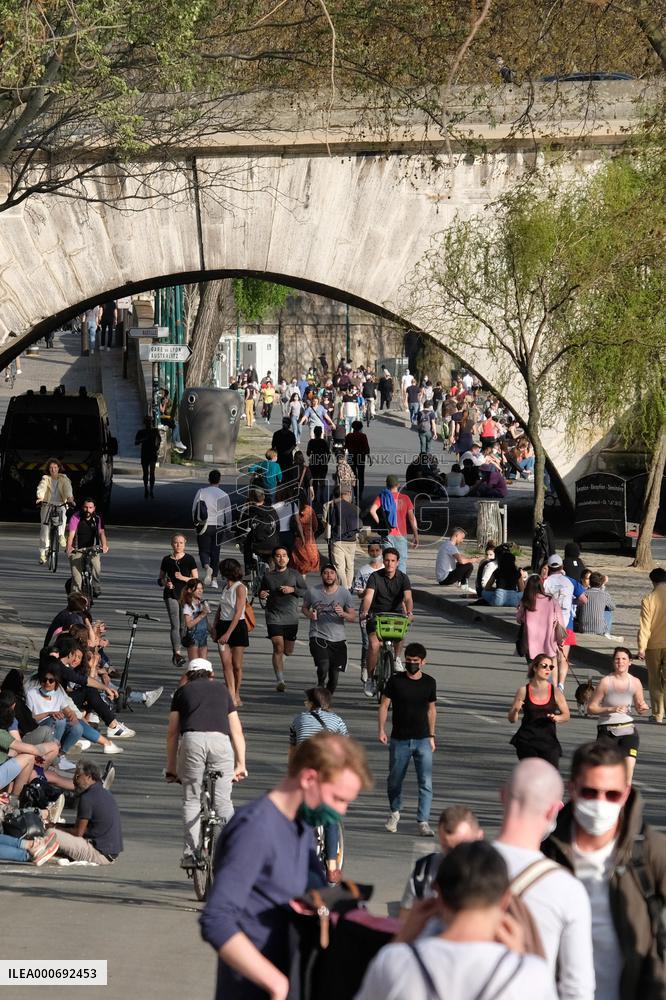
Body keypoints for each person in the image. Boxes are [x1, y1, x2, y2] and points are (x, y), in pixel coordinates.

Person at [200, 732, 371, 1000]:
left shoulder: (300, 826)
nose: (342, 811)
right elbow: (216, 918)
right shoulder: (256, 828)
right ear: (309, 778)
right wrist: (276, 983)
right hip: (253, 991)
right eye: (338, 799)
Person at [543, 740, 666, 1000]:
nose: (600, 802)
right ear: (572, 789)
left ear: (625, 793)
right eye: (589, 792)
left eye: (611, 794)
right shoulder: (547, 855)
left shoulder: (652, 852)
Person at [356, 841, 556, 1000]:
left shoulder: (395, 963)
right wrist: (521, 959)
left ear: (438, 896)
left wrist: (404, 936)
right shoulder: (530, 975)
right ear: (505, 900)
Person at [493, 758, 595, 999]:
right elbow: (577, 987)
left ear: (503, 796)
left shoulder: (454, 867)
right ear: (553, 810)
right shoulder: (566, 889)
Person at [165, 658, 247, 866]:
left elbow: (173, 733)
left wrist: (172, 768)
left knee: (192, 798)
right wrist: (241, 764)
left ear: (189, 676)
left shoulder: (182, 693)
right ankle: (234, 849)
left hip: (193, 740)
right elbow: (236, 730)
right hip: (221, 742)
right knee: (223, 802)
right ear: (211, 675)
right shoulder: (222, 691)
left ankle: (191, 853)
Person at [288, 688, 349, 886]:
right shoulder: (338, 721)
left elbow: (293, 752)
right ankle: (332, 867)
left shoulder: (298, 720)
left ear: (311, 703)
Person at [378, 641, 436, 837]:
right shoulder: (396, 681)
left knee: (425, 782)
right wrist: (381, 729)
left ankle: (423, 821)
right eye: (408, 660)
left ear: (423, 662)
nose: (411, 664)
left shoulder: (429, 682)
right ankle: (394, 812)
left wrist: (432, 735)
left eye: (415, 661)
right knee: (394, 780)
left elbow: (431, 709)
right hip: (399, 739)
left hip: (422, 740)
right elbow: (384, 705)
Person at [399, 805, 484, 919]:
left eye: (462, 847)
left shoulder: (496, 873)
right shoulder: (424, 873)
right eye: (448, 848)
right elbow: (404, 918)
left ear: (479, 836)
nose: (455, 855)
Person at [585, 646, 649, 783]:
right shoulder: (605, 682)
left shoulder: (635, 682)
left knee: (627, 773)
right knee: (604, 774)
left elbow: (640, 706)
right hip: (606, 732)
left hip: (628, 731)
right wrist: (610, 709)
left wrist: (643, 707)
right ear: (613, 662)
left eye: (624, 659)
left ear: (630, 662)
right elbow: (591, 708)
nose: (620, 662)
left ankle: (624, 803)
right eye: (617, 659)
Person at [359, 547, 413, 697]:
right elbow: (368, 596)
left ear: (397, 562)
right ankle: (370, 678)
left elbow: (408, 598)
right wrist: (365, 612)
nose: (390, 564)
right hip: (376, 615)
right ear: (383, 561)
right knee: (374, 645)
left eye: (393, 561)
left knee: (401, 633)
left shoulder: (403, 578)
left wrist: (409, 613)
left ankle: (396, 658)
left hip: (395, 615)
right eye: (387, 561)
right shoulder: (375, 577)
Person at [52, 760, 123, 865]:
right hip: (110, 853)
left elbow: (78, 833)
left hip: (99, 854)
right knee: (55, 832)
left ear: (89, 777)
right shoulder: (104, 792)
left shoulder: (87, 797)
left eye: (77, 776)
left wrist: (53, 828)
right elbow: (84, 828)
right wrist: (56, 825)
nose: (74, 780)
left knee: (51, 834)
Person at [507, 654, 570, 769]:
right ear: (535, 668)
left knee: (551, 775)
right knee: (532, 775)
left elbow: (566, 715)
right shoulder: (523, 691)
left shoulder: (556, 692)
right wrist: (515, 710)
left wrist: (557, 718)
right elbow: (512, 719)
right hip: (527, 740)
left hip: (548, 741)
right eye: (544, 666)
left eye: (551, 667)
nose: (548, 670)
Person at [259, 546, 308, 692]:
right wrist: (262, 594)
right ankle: (280, 680)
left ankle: (281, 659)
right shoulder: (268, 576)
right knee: (277, 646)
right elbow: (261, 590)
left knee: (288, 650)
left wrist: (293, 590)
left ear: (288, 558)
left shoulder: (294, 574)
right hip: (273, 615)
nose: (281, 558)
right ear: (274, 558)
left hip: (291, 617)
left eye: (284, 555)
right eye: (278, 556)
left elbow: (305, 591)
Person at [302, 563, 355, 694]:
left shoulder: (344, 593)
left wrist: (343, 614)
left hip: (338, 639)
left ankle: (327, 698)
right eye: (325, 573)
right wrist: (310, 615)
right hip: (318, 635)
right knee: (323, 664)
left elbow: (353, 616)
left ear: (336, 575)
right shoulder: (313, 591)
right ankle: (320, 683)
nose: (329, 576)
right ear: (321, 575)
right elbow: (304, 608)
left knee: (334, 677)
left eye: (331, 573)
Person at [543, 554, 587, 689]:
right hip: (566, 623)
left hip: (548, 623)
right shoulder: (571, 581)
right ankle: (561, 684)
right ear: (562, 567)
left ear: (549, 568)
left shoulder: (544, 582)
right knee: (563, 656)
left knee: (553, 657)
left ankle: (554, 684)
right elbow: (584, 600)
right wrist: (572, 601)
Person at [212, 558, 249, 707]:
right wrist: (215, 626)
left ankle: (237, 692)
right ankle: (231, 695)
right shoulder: (225, 588)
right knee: (226, 664)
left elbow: (239, 611)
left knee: (236, 665)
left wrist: (228, 633)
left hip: (237, 627)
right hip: (223, 625)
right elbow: (221, 609)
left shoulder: (240, 588)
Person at [158, 533, 198, 667]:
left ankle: (183, 646)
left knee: (183, 625)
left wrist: (182, 578)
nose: (178, 545)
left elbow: (196, 580)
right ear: (171, 544)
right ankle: (177, 652)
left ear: (185, 544)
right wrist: (165, 583)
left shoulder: (189, 559)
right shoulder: (166, 560)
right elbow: (160, 579)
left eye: (181, 543)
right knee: (175, 625)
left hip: (186, 594)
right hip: (171, 594)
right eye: (176, 543)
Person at [516, 576, 565, 684]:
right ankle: (550, 694)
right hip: (548, 645)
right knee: (548, 671)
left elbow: (519, 619)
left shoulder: (526, 601)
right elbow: (560, 623)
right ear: (541, 586)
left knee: (534, 674)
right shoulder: (551, 601)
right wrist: (561, 642)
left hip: (530, 645)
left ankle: (534, 695)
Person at [369, 474, 419, 573]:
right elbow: (412, 518)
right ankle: (401, 585)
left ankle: (389, 583)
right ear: (398, 485)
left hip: (387, 533)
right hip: (401, 534)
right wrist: (415, 535)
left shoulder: (382, 497)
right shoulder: (405, 498)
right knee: (401, 561)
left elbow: (372, 511)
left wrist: (381, 524)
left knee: (388, 561)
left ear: (387, 485)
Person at [192, 470, 232, 589]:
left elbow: (194, 509)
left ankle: (206, 566)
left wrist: (196, 524)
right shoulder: (224, 494)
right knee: (216, 552)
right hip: (218, 526)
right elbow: (228, 513)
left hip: (204, 525)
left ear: (208, 479)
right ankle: (214, 579)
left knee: (203, 550)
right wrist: (229, 527)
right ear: (220, 480)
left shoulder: (201, 492)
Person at [637, 566, 666, 723]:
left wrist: (642, 647)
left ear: (653, 581)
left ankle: (657, 714)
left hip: (653, 645)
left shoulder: (649, 599)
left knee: (654, 679)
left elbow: (645, 626)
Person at [353, 537, 383, 678]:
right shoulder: (363, 570)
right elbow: (359, 593)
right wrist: (369, 590)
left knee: (383, 641)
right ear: (368, 552)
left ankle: (385, 664)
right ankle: (365, 667)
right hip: (368, 609)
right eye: (372, 550)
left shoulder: (386, 568)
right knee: (367, 642)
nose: (375, 553)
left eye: (377, 550)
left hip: (384, 608)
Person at [66, 498, 108, 598]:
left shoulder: (97, 518)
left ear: (94, 508)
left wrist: (104, 545)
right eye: (85, 507)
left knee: (96, 566)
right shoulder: (76, 517)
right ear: (82, 507)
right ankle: (75, 599)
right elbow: (71, 535)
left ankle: (95, 586)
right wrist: (69, 547)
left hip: (93, 548)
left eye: (90, 507)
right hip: (77, 549)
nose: (87, 510)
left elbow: (101, 532)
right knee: (77, 578)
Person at [36, 458, 75, 564]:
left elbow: (68, 489)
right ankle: (43, 554)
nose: (53, 470)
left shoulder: (64, 478)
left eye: (55, 467)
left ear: (59, 468)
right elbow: (41, 488)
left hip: (60, 503)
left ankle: (61, 535)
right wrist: (40, 498)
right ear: (48, 469)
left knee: (63, 515)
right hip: (47, 504)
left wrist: (70, 499)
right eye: (51, 468)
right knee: (45, 529)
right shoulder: (45, 478)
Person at [237, 487, 280, 575]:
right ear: (264, 497)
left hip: (256, 545)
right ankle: (272, 573)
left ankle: (248, 573)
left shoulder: (248, 511)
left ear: (251, 498)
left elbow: (241, 529)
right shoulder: (272, 510)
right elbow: (278, 526)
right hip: (272, 545)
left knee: (247, 545)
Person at [327, 486, 360, 589]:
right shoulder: (355, 508)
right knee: (350, 565)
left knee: (339, 567)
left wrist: (328, 538)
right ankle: (349, 587)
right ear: (346, 494)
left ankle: (345, 587)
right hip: (351, 540)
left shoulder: (334, 506)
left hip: (338, 540)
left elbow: (330, 523)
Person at [576, 572, 619, 640]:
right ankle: (606, 632)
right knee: (608, 611)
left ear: (589, 582)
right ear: (601, 583)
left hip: (583, 628)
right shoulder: (605, 595)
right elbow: (613, 607)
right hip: (599, 629)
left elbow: (577, 611)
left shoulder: (583, 594)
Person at [180, 579, 211, 661]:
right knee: (195, 665)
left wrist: (212, 632)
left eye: (202, 588)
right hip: (193, 637)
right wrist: (202, 615)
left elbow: (206, 622)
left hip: (203, 636)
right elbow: (189, 625)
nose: (201, 591)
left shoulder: (202, 603)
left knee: (203, 664)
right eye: (198, 589)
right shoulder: (188, 606)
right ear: (190, 590)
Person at [435, 526, 475, 591]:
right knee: (469, 565)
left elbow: (460, 556)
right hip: (445, 579)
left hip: (442, 578)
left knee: (461, 563)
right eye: (462, 538)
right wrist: (472, 560)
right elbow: (461, 560)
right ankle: (464, 585)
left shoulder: (446, 544)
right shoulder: (450, 546)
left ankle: (460, 583)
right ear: (457, 535)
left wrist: (470, 558)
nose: (462, 541)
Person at [290, 495, 320, 575]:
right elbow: (315, 525)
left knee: (299, 561)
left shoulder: (292, 508)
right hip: (309, 537)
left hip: (297, 538)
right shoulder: (309, 509)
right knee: (312, 558)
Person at [134, 416, 161, 499]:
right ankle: (146, 488)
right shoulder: (141, 432)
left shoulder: (155, 431)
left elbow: (159, 439)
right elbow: (136, 442)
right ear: (145, 423)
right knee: (146, 473)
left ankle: (151, 490)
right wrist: (144, 439)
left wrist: (157, 446)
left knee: (152, 472)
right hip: (145, 454)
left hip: (152, 453)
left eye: (149, 422)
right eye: (147, 422)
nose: (149, 424)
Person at [345, 419, 370, 504]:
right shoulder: (363, 436)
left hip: (351, 457)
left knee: (353, 476)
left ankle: (355, 494)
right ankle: (360, 495)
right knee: (361, 476)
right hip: (361, 457)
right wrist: (369, 457)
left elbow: (346, 446)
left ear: (352, 427)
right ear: (360, 428)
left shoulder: (349, 436)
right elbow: (366, 447)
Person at [306, 426, 331, 506]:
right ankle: (322, 495)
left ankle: (315, 496)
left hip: (313, 463)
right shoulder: (324, 442)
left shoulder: (311, 442)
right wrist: (327, 461)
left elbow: (308, 453)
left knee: (315, 480)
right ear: (321, 433)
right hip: (323, 463)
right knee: (322, 479)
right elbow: (329, 453)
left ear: (314, 433)